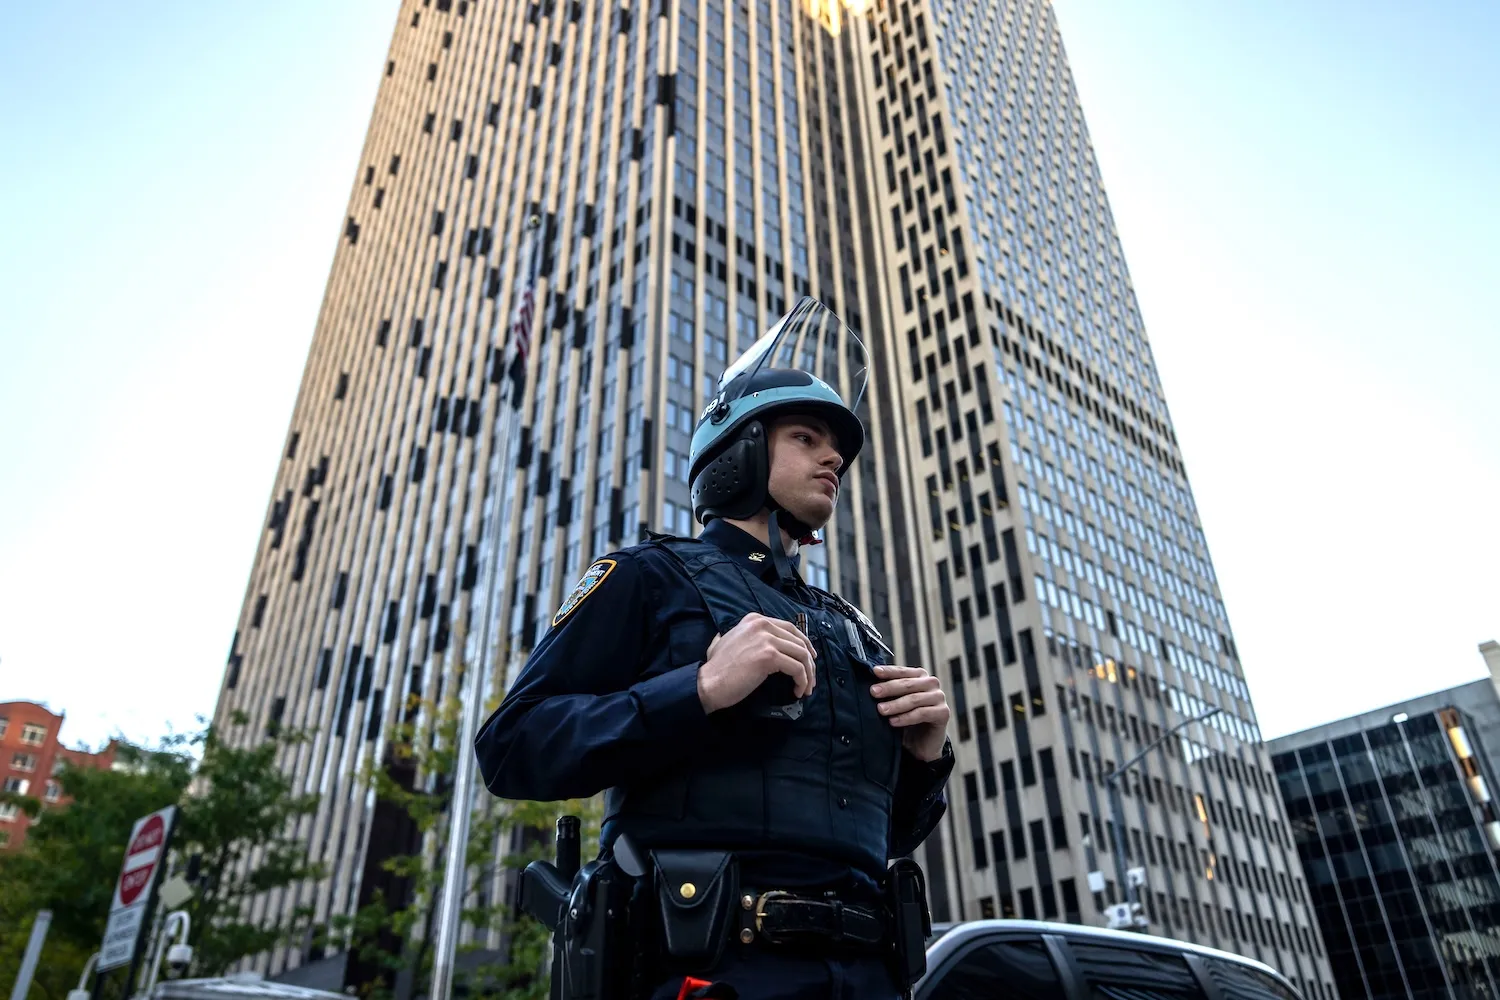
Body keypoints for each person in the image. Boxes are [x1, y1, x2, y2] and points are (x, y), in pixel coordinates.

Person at [476, 299, 954, 1000]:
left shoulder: (855, 629)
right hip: (714, 967)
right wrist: (699, 689)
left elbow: (878, 836)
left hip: (868, 975)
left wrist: (924, 761)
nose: (833, 458)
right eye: (806, 437)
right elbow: (510, 747)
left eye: (840, 451)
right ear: (741, 450)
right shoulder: (646, 575)